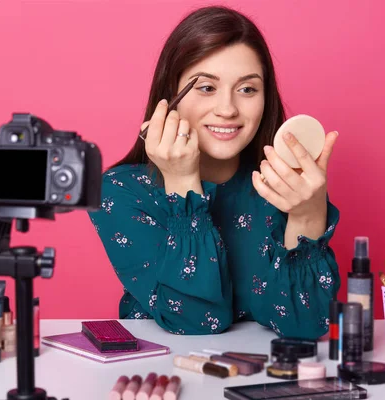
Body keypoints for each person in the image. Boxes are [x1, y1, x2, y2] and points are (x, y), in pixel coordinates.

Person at [88, 5, 340, 339]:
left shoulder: (283, 185)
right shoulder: (120, 191)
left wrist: (308, 212)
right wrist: (182, 184)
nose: (227, 109)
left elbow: (305, 326)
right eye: (206, 87)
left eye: (247, 89)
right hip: (163, 378)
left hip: (259, 380)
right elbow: (195, 322)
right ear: (170, 96)